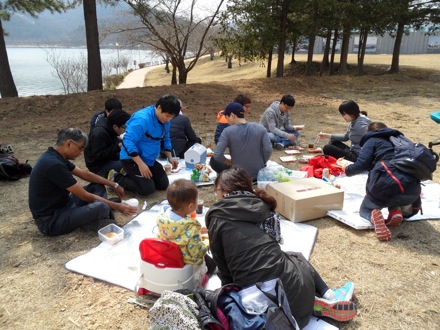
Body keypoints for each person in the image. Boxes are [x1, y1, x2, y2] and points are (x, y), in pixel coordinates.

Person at [206, 168, 357, 328]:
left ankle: (314, 302)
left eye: (217, 191)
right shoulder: (261, 205)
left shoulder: (218, 215)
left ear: (224, 190)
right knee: (294, 256)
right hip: (300, 297)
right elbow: (273, 245)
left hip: (266, 314)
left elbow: (222, 266)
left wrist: (229, 292)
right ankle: (327, 294)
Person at [28, 128, 137, 237]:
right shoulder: (53, 164)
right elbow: (84, 195)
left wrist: (114, 184)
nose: (81, 153)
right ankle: (91, 217)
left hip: (65, 204)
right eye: (80, 148)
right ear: (69, 143)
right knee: (101, 207)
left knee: (98, 185)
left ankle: (90, 214)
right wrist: (117, 206)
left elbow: (85, 174)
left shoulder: (56, 156)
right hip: (52, 221)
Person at [341, 122, 422, 241]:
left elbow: (361, 164)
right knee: (396, 188)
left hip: (386, 187)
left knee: (365, 209)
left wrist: (347, 169)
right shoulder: (402, 140)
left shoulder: (372, 140)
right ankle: (396, 211)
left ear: (369, 132)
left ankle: (373, 216)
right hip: (412, 193)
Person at [117, 94, 181, 196]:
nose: (169, 119)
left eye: (171, 117)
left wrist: (170, 157)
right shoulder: (142, 119)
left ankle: (138, 176)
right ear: (159, 107)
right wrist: (141, 164)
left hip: (149, 158)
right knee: (147, 189)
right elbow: (128, 141)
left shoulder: (165, 121)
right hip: (132, 159)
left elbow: (166, 138)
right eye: (168, 116)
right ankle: (118, 178)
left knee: (163, 184)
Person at [156, 179, 215, 273]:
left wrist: (199, 232)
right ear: (191, 206)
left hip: (167, 255)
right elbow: (196, 252)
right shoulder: (191, 228)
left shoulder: (162, 218)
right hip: (184, 262)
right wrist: (206, 244)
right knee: (211, 264)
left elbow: (177, 233)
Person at [210, 102, 272, 181]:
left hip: (239, 175)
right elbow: (268, 149)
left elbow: (217, 155)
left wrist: (227, 161)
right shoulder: (260, 128)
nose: (227, 121)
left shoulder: (227, 131)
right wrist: (262, 162)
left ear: (232, 115)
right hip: (258, 173)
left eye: (226, 117)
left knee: (213, 161)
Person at [84, 109, 130, 178]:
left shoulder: (109, 126)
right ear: (115, 126)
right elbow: (99, 155)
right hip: (98, 165)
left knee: (130, 158)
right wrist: (118, 146)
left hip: (109, 157)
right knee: (128, 164)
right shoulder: (99, 133)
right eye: (124, 128)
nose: (125, 130)